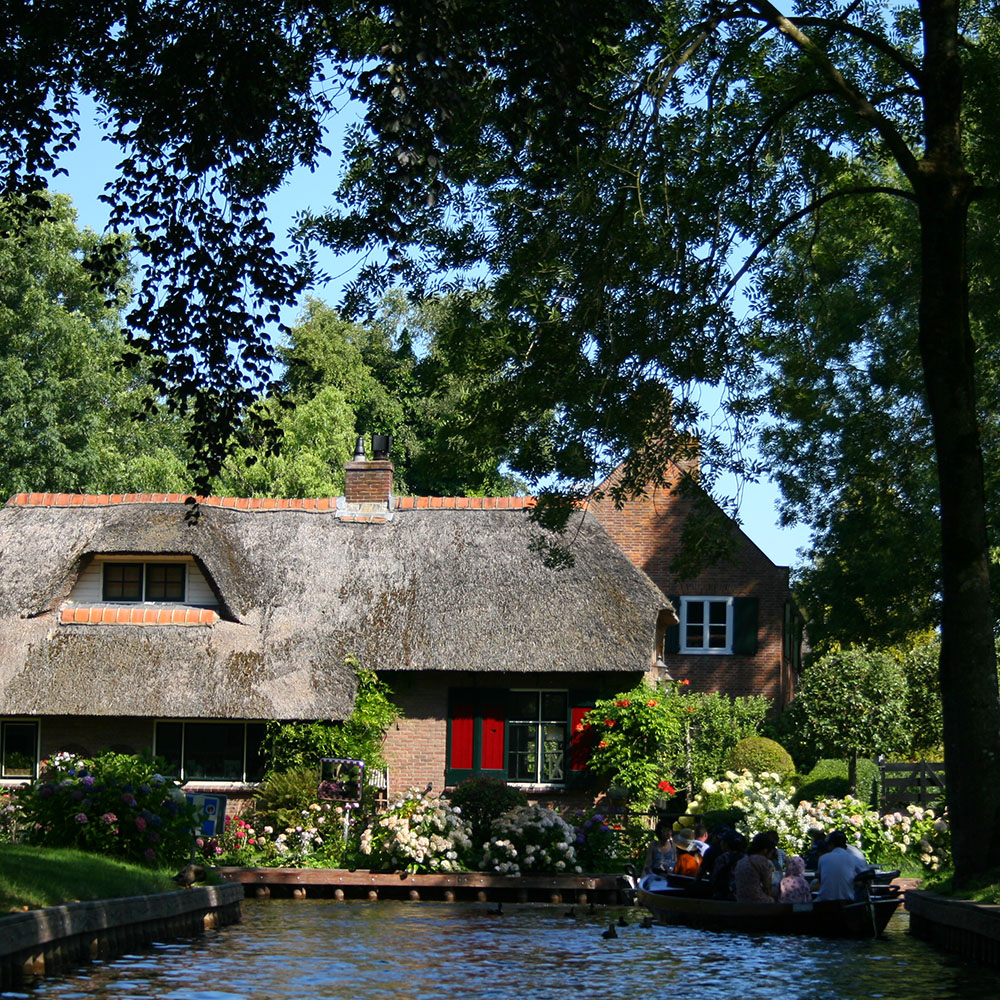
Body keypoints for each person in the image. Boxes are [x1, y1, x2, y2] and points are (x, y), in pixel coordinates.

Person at [814, 830, 871, 901]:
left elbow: (819, 878)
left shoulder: (823, 858)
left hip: (825, 902)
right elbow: (864, 875)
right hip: (847, 902)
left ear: (831, 844)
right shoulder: (852, 857)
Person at [733, 832, 776, 903]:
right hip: (756, 902)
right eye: (771, 853)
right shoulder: (762, 861)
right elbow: (767, 887)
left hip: (740, 900)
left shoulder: (742, 860)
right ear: (765, 850)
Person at [710, 830, 745, 900]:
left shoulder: (723, 858)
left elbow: (715, 879)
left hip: (724, 897)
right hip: (743, 897)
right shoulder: (746, 858)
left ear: (726, 844)